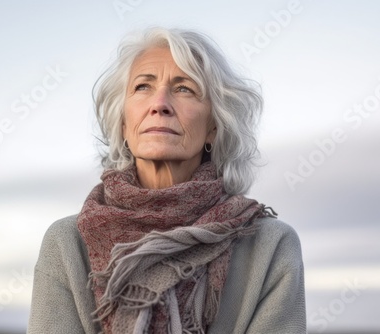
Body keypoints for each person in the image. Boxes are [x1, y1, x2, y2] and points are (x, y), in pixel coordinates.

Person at [27, 27, 306, 334]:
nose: (160, 103)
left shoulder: (269, 245)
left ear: (214, 125)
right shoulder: (67, 244)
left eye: (184, 88)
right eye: (143, 87)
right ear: (123, 123)